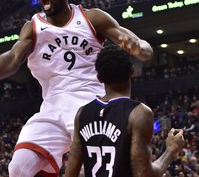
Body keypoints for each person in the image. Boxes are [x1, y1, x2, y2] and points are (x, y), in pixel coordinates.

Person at [0, 0, 153, 176]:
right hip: (52, 106)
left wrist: (138, 48)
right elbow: (13, 57)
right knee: (18, 168)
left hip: (90, 102)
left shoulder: (91, 17)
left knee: (91, 170)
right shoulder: (33, 27)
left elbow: (144, 47)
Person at [64, 44, 184, 177]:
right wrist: (171, 151)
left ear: (99, 78)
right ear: (132, 71)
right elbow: (143, 174)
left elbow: (70, 174)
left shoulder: (82, 114)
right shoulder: (139, 113)